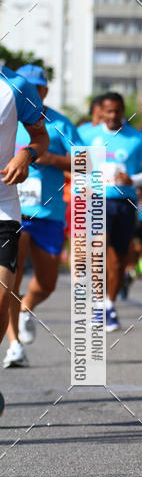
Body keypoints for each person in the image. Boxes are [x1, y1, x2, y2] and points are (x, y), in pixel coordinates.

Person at [3, 65, 81, 367]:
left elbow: (85, 161)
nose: (33, 90)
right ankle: (14, 344)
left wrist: (49, 158)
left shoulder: (59, 123)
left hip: (48, 212)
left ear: (45, 90)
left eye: (39, 86)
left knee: (47, 282)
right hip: (13, 208)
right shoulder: (7, 110)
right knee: (10, 279)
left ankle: (25, 310)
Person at [78, 92, 142, 332]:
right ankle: (99, 304)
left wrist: (131, 178)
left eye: (117, 111)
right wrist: (84, 185)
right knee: (98, 251)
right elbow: (76, 165)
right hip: (97, 201)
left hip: (125, 204)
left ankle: (109, 305)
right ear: (101, 111)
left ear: (123, 111)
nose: (112, 116)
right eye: (108, 111)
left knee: (119, 259)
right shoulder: (86, 134)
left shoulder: (135, 139)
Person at [0, 65, 49, 401]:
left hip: (3, 208)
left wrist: (26, 155)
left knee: (2, 299)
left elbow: (40, 137)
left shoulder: (16, 86)